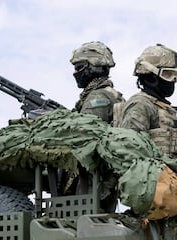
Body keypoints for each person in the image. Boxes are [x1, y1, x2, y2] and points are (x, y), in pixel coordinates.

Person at [118, 43, 177, 240]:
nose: (173, 81)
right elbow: (128, 155)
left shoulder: (168, 110)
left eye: (176, 76)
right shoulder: (141, 106)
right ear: (151, 74)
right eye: (169, 75)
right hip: (156, 198)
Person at [69, 41, 125, 212]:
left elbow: (85, 136)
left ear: (93, 67)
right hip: (104, 178)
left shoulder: (98, 97)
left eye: (79, 67)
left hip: (95, 179)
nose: (75, 73)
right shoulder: (112, 94)